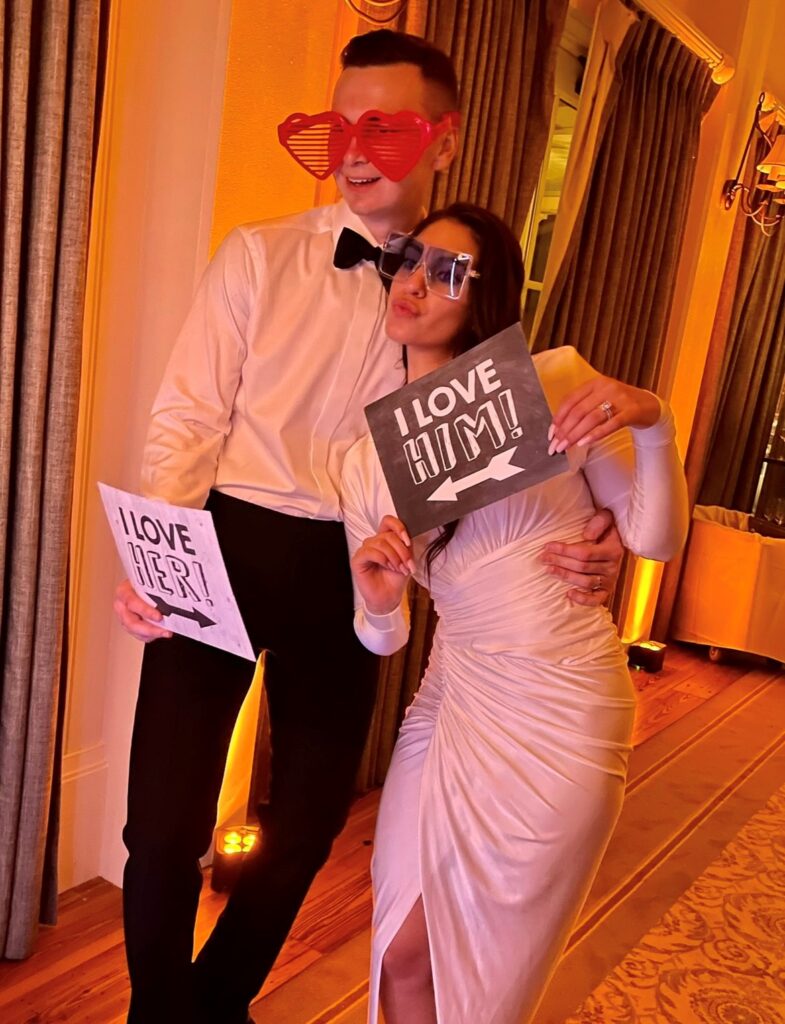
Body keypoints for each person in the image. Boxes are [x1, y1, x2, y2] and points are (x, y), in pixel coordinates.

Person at [112, 30, 624, 1024]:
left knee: (303, 826)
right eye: (339, 125)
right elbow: (184, 422)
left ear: (444, 138)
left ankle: (212, 1004)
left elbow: (537, 445)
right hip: (225, 534)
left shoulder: (467, 303)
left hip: (355, 571)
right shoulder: (258, 256)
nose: (352, 149)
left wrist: (595, 526)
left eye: (382, 127)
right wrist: (158, 550)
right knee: (162, 824)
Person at [341, 203, 689, 1024]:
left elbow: (654, 537)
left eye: (449, 270)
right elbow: (381, 636)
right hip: (450, 700)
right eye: (409, 259)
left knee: (486, 981)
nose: (418, 282)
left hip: (564, 710)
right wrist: (378, 597)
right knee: (398, 949)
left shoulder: (551, 385)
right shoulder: (366, 458)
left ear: (485, 299)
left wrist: (653, 421)